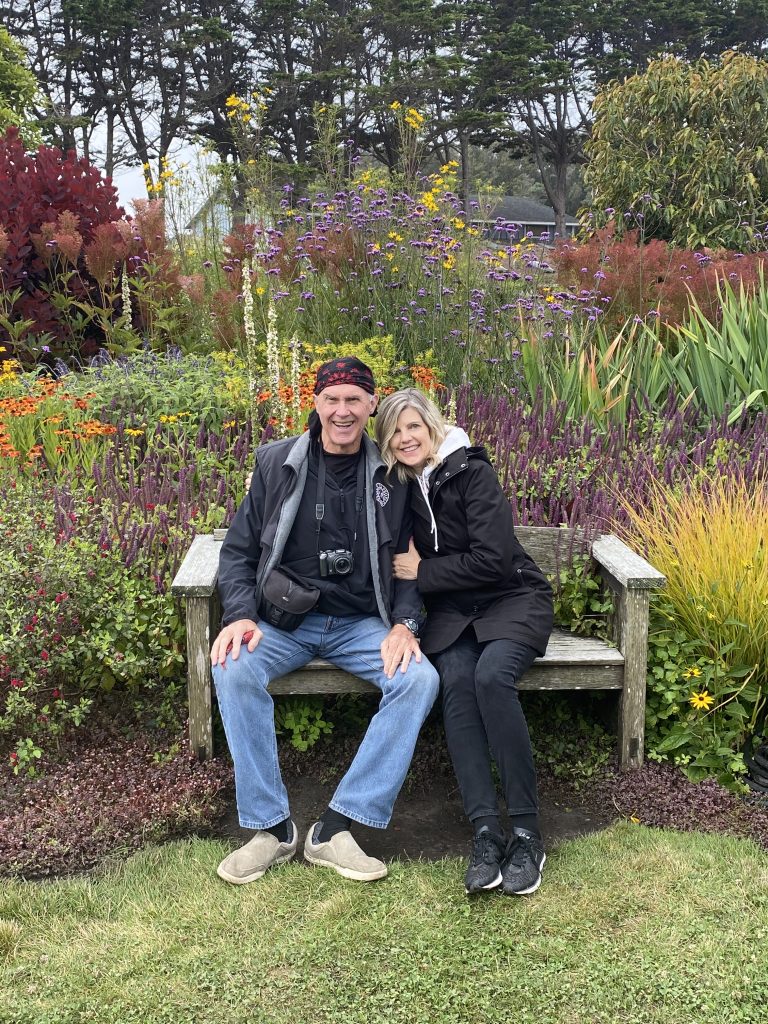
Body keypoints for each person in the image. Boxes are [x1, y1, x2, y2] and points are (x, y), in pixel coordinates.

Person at [210, 358, 439, 885]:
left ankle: (335, 827)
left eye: (354, 399)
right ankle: (271, 828)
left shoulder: (392, 474)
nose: (342, 411)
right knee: (233, 667)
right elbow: (239, 552)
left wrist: (405, 623)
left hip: (361, 623)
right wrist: (240, 615)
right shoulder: (276, 463)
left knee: (418, 679)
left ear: (371, 405)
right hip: (286, 622)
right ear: (314, 402)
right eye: (332, 398)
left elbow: (408, 562)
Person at [375, 388, 554, 896]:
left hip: (511, 597)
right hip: (455, 612)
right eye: (394, 430)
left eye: (414, 426)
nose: (406, 438)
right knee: (454, 678)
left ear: (432, 427)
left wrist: (424, 570)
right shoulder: (404, 486)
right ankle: (484, 831)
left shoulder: (472, 471)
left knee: (491, 676)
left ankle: (525, 831)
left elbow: (494, 560)